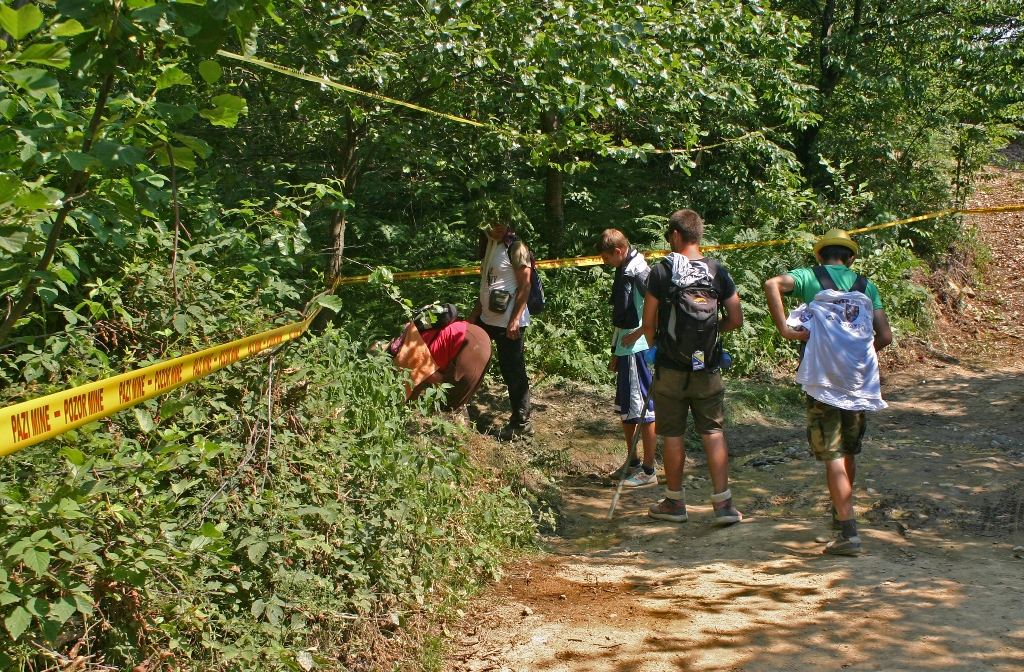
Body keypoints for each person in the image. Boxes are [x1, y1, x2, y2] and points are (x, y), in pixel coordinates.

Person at [763, 229, 892, 556]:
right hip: (858, 380)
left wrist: (784, 328)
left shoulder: (809, 276)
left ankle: (848, 534)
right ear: (850, 258)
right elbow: (885, 335)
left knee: (831, 451)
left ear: (821, 256)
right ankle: (841, 513)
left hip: (823, 378)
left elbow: (772, 284)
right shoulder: (866, 286)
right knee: (849, 449)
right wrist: (856, 354)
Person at [622, 209, 744, 524]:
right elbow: (736, 319)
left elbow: (648, 324)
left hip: (670, 369)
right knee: (713, 431)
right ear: (698, 235)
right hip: (708, 368)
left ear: (676, 235)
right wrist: (713, 335)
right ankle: (723, 505)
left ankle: (675, 504)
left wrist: (656, 348)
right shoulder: (718, 271)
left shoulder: (662, 272)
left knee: (673, 434)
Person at [596, 229, 658, 488]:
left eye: (606, 258)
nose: (605, 263)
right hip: (624, 351)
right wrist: (615, 351)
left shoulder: (641, 273)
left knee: (644, 410)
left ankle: (649, 470)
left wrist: (641, 334)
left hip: (637, 350)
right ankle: (632, 461)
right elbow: (623, 314)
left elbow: (658, 308)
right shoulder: (624, 270)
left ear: (618, 251)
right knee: (626, 410)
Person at [468, 215, 534, 440]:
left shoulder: (516, 247)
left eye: (501, 223)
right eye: (491, 223)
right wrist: (473, 317)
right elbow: (487, 286)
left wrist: (514, 320)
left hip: (509, 323)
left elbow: (526, 285)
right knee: (469, 359)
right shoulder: (489, 247)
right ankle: (459, 406)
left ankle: (522, 424)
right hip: (487, 319)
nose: (497, 228)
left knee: (513, 371)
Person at [406, 304, 493, 414]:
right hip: (476, 334)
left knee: (450, 408)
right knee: (458, 402)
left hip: (466, 343)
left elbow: (436, 381)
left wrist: (408, 409)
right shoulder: (416, 336)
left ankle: (458, 427)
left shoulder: (407, 353)